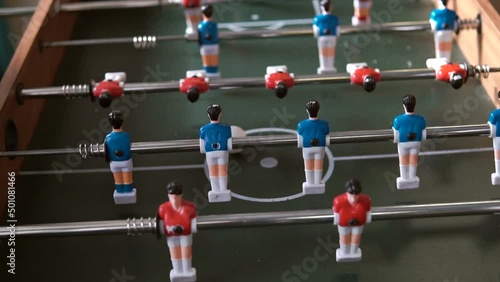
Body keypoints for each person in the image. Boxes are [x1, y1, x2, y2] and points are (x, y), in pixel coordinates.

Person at [157, 181, 197, 282]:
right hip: (171, 236)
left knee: (186, 253)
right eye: (172, 194)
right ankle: (178, 271)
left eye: (177, 194)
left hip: (185, 235)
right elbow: (160, 224)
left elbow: (193, 222)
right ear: (168, 195)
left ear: (181, 194)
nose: (174, 197)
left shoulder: (190, 208)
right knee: (175, 253)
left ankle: (187, 271)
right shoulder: (163, 209)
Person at [392, 95, 426, 189]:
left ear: (404, 106)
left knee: (403, 160)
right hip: (416, 142)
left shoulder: (398, 119)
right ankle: (412, 177)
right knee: (413, 160)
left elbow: (395, 132)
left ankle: (404, 177)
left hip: (403, 143)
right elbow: (423, 133)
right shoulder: (421, 119)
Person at [199, 104, 232, 202]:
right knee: (222, 171)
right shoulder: (226, 128)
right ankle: (223, 190)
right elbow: (229, 145)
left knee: (213, 172)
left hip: (210, 153)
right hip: (222, 151)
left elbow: (202, 148)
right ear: (220, 114)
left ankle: (215, 190)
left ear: (208, 115)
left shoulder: (203, 129)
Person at [333, 179, 371, 262]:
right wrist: (337, 220)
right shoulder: (338, 201)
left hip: (359, 224)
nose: (354, 198)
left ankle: (354, 251)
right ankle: (344, 252)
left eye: (356, 195)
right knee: (344, 237)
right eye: (351, 195)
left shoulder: (366, 200)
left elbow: (368, 212)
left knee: (356, 237)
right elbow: (336, 214)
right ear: (347, 193)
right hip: (343, 224)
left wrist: (367, 219)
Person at [297, 100, 330, 194]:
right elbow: (327, 136)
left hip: (307, 147)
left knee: (308, 166)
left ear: (307, 111)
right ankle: (317, 183)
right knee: (318, 166)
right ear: (318, 110)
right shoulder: (324, 124)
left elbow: (300, 141)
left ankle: (310, 183)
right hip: (320, 147)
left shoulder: (301, 125)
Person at [104, 111, 136, 204]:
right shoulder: (126, 136)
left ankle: (120, 193)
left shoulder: (108, 138)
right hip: (126, 161)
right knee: (128, 181)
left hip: (114, 163)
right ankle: (128, 193)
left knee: (118, 181)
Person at [313, 0, 340, 74]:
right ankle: (329, 66)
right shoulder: (335, 18)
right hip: (332, 36)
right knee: (330, 52)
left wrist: (316, 34)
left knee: (323, 52)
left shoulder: (318, 18)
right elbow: (337, 29)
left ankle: (324, 66)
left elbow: (316, 29)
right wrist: (337, 34)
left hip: (322, 37)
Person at [198, 5, 220, 78]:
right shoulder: (214, 25)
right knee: (213, 61)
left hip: (205, 46)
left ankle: (209, 72)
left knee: (207, 61)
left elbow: (200, 38)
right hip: (213, 46)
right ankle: (213, 73)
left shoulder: (201, 26)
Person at [488, 108, 500, 185]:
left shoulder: (495, 113)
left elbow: (491, 124)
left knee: (498, 153)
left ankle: (498, 172)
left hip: (498, 136)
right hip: (498, 136)